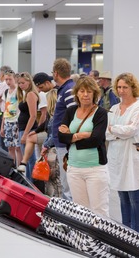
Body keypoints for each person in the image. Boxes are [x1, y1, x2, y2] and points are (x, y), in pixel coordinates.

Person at [58, 76, 109, 217]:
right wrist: (82, 135)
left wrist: (71, 135)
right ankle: (84, 239)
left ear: (95, 93)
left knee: (99, 211)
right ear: (76, 93)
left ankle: (102, 239)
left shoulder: (101, 113)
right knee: (80, 211)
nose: (85, 95)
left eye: (89, 91)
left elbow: (96, 139)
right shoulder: (70, 111)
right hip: (74, 168)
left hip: (95, 169)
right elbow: (61, 137)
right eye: (81, 91)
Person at [106, 72, 139, 231]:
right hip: (116, 158)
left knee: (135, 199)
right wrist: (117, 132)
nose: (121, 90)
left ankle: (136, 234)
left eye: (125, 87)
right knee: (122, 198)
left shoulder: (137, 107)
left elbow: (132, 130)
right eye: (119, 87)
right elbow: (105, 133)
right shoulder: (113, 108)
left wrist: (113, 130)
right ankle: (126, 232)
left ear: (132, 88)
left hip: (132, 159)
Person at [52, 58, 76, 201]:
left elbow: (74, 115)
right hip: (61, 141)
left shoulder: (68, 90)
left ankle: (71, 217)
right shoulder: (65, 89)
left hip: (65, 143)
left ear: (56, 73)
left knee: (68, 184)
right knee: (65, 181)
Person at [16, 72, 40, 180]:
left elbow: (33, 116)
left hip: (27, 129)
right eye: (19, 83)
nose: (20, 85)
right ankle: (31, 181)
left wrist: (25, 134)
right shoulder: (26, 94)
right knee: (29, 158)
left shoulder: (30, 94)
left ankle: (32, 183)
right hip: (24, 127)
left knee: (29, 158)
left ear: (29, 82)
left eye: (22, 83)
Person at [0, 70, 22, 165]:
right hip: (7, 121)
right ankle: (12, 167)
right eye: (6, 80)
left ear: (15, 79)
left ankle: (20, 168)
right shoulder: (6, 92)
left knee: (18, 147)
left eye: (10, 79)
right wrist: (2, 126)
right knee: (10, 147)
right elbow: (5, 109)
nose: (8, 81)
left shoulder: (19, 92)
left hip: (16, 121)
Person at [0, 66, 12, 152]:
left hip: (3, 114)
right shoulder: (12, 85)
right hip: (11, 114)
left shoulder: (4, 84)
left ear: (2, 74)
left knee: (3, 143)